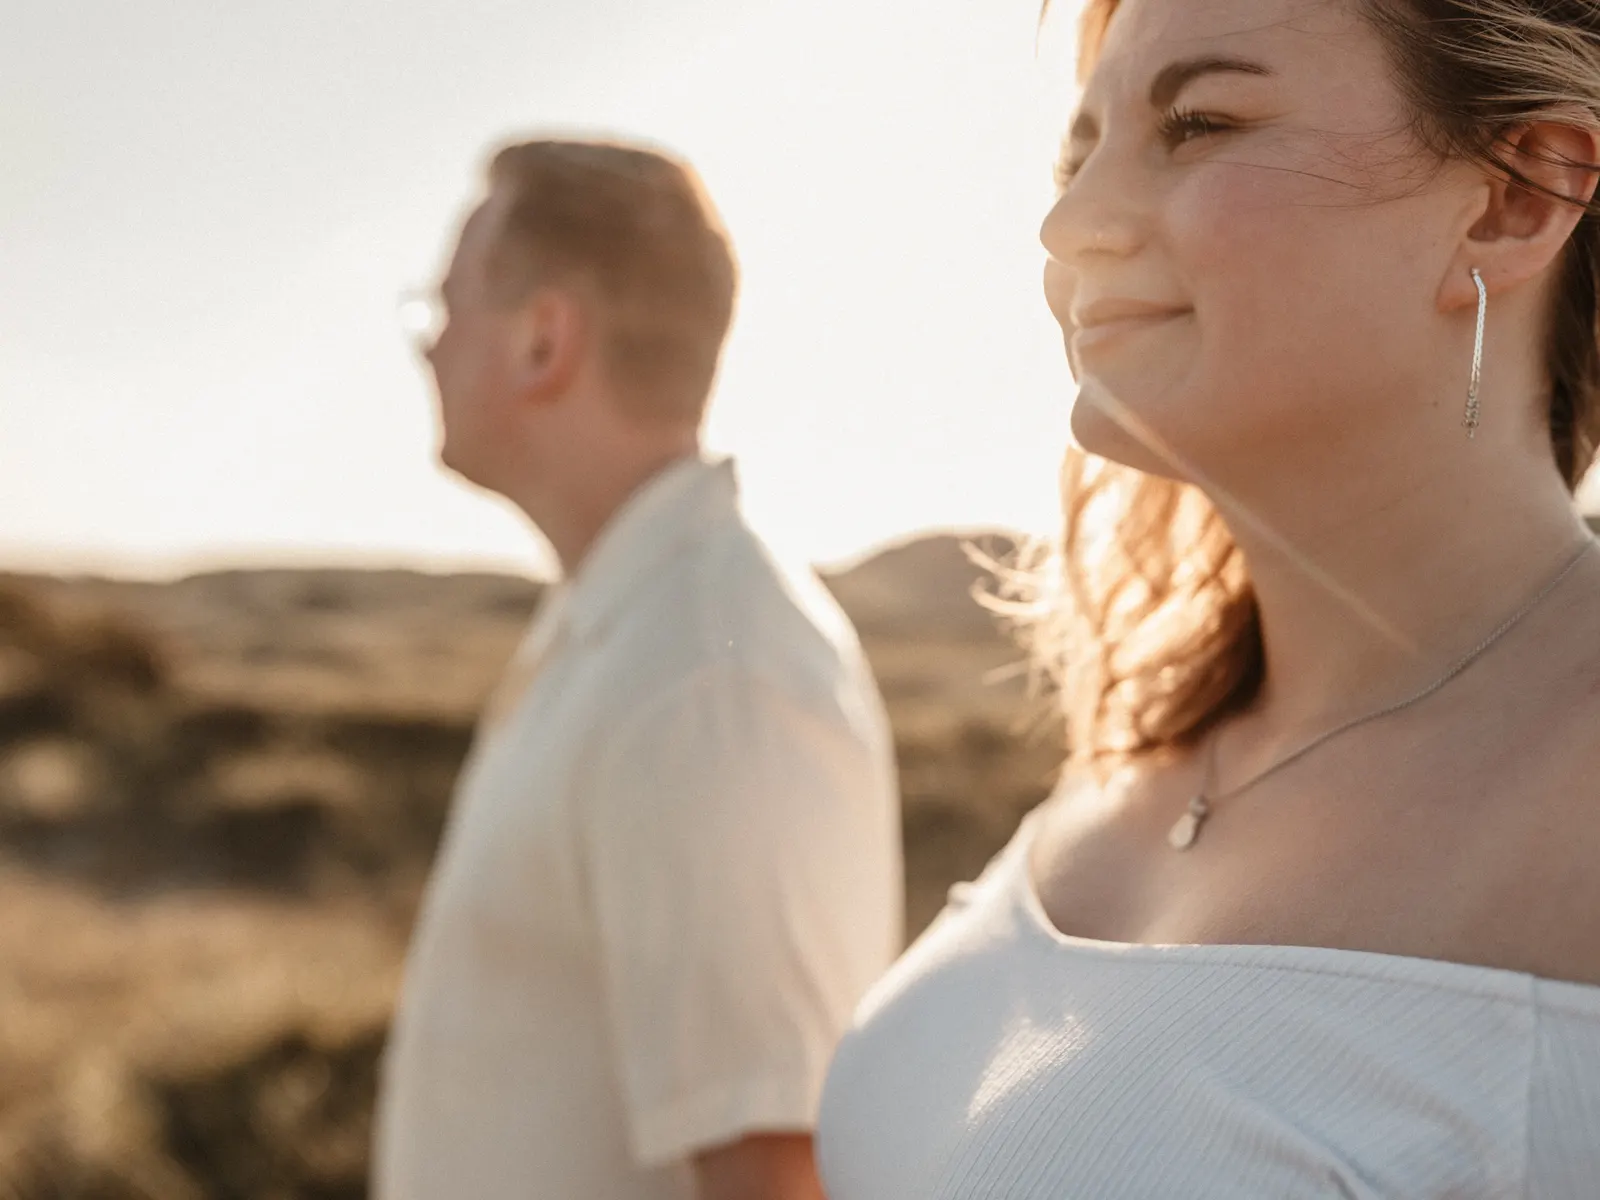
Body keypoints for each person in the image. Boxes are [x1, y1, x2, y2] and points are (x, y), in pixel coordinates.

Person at [817, 0, 1600, 1195]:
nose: (1069, 221)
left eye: (1198, 123)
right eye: (1077, 152)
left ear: (1517, 199)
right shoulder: (1144, 742)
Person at [373, 138, 903, 1200]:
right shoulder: (623, 625)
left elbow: (775, 1170)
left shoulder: (710, 679)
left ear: (543, 340)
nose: (426, 347)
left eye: (445, 304)